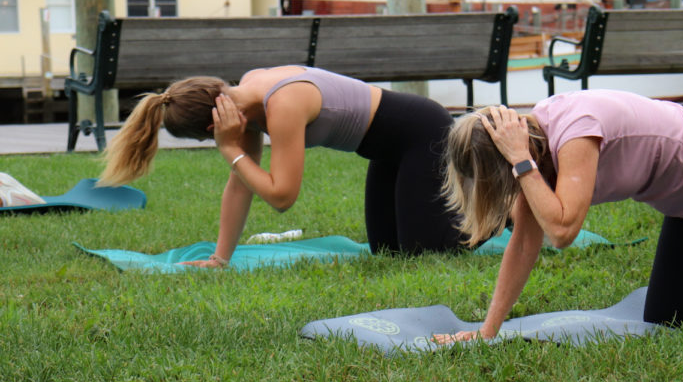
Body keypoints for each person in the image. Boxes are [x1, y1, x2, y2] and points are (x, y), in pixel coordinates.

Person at [434, 90, 683, 342]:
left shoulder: (572, 133)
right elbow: (525, 241)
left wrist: (520, 161)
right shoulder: (533, 150)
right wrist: (488, 331)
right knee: (666, 317)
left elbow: (561, 231)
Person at [98, 65, 461, 265]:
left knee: (423, 254)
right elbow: (241, 183)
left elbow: (282, 196)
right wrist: (219, 259)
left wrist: (228, 149)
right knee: (387, 253)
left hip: (422, 133)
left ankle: (499, 211)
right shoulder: (245, 100)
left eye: (213, 139)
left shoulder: (282, 105)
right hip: (386, 152)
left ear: (212, 127)